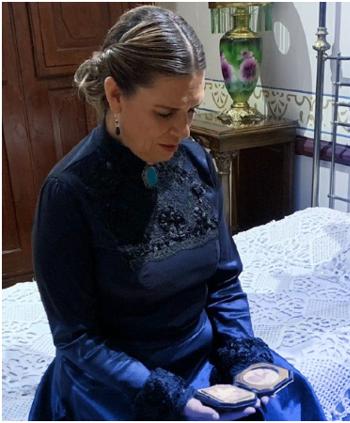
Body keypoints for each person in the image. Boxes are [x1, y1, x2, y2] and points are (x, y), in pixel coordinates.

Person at [28, 6, 325, 420]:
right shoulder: (69, 192)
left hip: (201, 355)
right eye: (166, 113)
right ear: (116, 96)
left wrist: (242, 357)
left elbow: (223, 282)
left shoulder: (195, 161)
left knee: (285, 402)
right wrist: (172, 398)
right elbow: (77, 339)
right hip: (119, 381)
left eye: (192, 110)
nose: (184, 131)